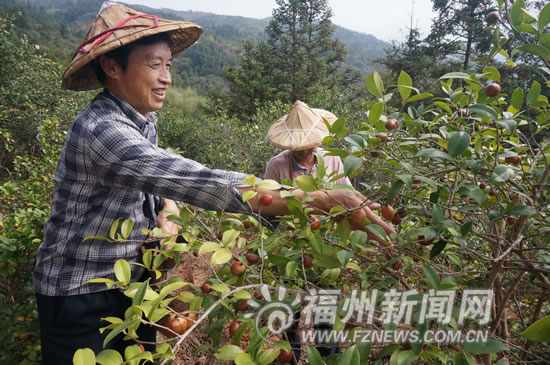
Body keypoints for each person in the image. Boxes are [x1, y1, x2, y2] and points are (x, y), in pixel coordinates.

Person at [32, 3, 395, 364]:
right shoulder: (102, 130)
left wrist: (167, 210)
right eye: (153, 64)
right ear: (112, 66)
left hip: (129, 284)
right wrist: (322, 200)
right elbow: (200, 181)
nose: (166, 78)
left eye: (168, 65)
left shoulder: (139, 120)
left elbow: (155, 179)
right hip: (79, 291)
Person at [264, 100, 351, 186]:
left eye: (307, 145)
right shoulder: (276, 165)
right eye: (298, 146)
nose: (303, 150)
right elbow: (269, 196)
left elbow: (346, 192)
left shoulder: (332, 159)